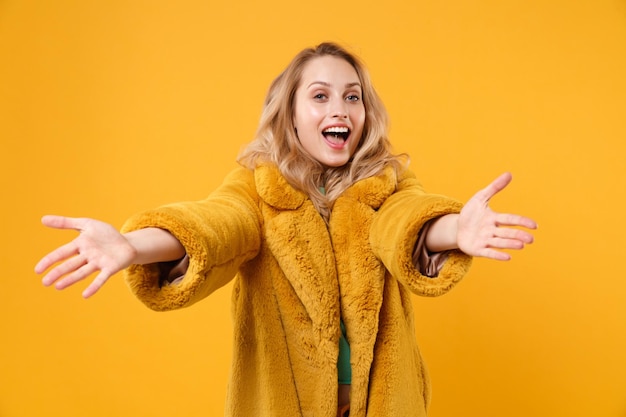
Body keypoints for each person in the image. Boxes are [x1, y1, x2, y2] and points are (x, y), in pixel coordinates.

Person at [35, 42, 537, 417]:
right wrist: (132, 245)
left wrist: (453, 230)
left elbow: (404, 222)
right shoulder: (257, 187)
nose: (339, 109)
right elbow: (216, 226)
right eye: (320, 96)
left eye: (352, 97)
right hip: (280, 402)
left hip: (383, 402)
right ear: (291, 114)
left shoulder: (387, 182)